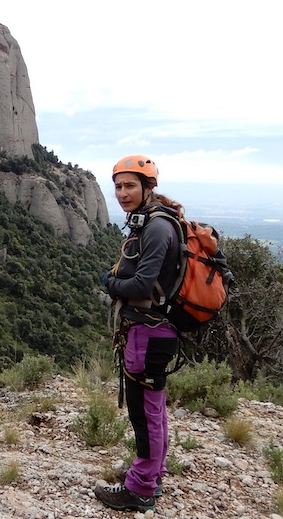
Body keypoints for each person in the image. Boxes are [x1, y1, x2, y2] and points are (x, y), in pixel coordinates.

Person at [94, 154, 182, 513]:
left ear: (149, 187)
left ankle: (141, 489)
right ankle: (151, 472)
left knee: (143, 412)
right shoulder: (151, 222)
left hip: (149, 333)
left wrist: (110, 283)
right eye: (117, 186)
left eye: (130, 185)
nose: (122, 192)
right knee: (153, 409)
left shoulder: (158, 227)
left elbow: (143, 282)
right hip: (150, 331)